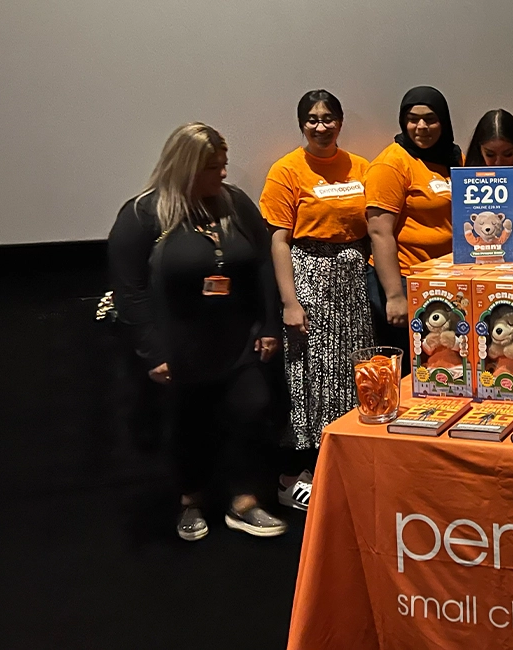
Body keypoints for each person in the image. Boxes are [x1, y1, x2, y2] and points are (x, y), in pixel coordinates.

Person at [108, 123, 286, 541]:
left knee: (252, 409)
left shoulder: (234, 204)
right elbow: (129, 290)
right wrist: (152, 351)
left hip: (236, 337)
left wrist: (269, 323)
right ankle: (191, 501)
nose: (223, 173)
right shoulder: (144, 214)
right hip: (179, 344)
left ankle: (244, 503)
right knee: (190, 424)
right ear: (185, 167)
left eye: (224, 164)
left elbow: (262, 263)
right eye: (212, 167)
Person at [258, 90, 373, 511]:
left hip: (352, 282)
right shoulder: (286, 170)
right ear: (301, 124)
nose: (321, 127)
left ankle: (343, 463)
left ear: (340, 122)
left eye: (328, 118)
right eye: (312, 119)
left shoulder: (361, 167)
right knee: (312, 372)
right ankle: (299, 474)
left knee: (349, 370)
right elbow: (279, 240)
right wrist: (290, 302)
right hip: (309, 276)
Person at [366, 86, 461, 351]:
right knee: (411, 362)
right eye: (413, 119)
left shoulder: (453, 158)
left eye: (430, 119)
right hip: (406, 280)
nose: (421, 127)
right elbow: (379, 233)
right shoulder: (391, 164)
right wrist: (395, 296)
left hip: (445, 281)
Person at [463, 109, 513, 250]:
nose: (499, 163)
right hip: (485, 254)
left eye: (508, 154)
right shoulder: (468, 179)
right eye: (490, 154)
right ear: (479, 151)